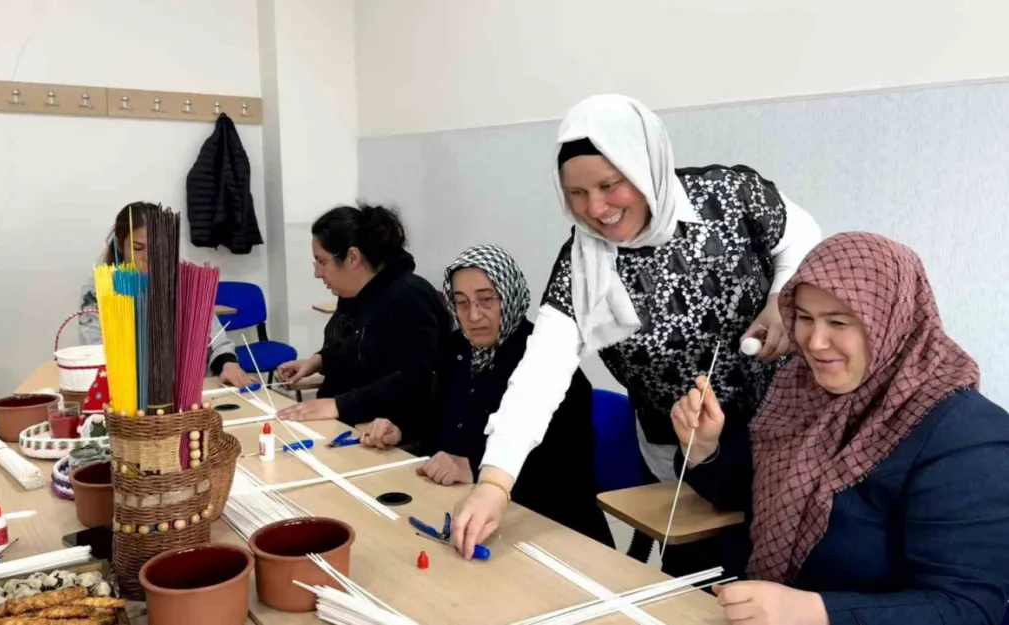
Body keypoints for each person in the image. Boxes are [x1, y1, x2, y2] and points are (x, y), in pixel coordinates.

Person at [451, 94, 822, 562]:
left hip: (786, 428)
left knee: (790, 562)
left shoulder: (729, 196)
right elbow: (539, 375)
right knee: (697, 579)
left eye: (611, 185)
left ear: (645, 167)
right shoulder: (583, 267)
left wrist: (779, 299)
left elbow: (801, 235)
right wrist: (494, 484)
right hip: (687, 454)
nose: (596, 208)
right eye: (577, 194)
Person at [672, 232, 1009, 624]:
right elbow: (755, 494)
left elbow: (967, 607)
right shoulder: (799, 390)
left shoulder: (967, 437)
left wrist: (818, 611)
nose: (815, 342)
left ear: (891, 321)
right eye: (805, 318)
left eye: (839, 321)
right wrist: (704, 449)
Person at [362, 245, 613, 546]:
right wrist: (400, 428)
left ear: (510, 296)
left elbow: (562, 472)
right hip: (464, 510)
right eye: (461, 303)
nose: (473, 315)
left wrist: (475, 466)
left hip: (552, 528)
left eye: (486, 300)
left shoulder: (547, 365)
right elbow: (437, 417)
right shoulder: (457, 348)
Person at [275, 205, 450, 444]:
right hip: (340, 423)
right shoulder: (351, 292)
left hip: (381, 434)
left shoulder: (410, 297)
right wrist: (317, 361)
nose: (317, 273)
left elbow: (414, 378)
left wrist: (338, 405)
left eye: (322, 262)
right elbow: (350, 346)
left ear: (353, 257)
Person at [79, 202, 256, 389]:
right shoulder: (98, 290)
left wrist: (228, 364)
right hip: (128, 391)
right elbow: (95, 351)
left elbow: (217, 340)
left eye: (158, 248)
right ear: (120, 246)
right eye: (138, 248)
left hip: (193, 390)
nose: (148, 258)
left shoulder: (185, 282)